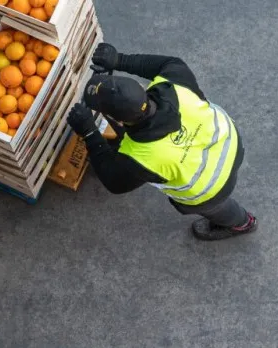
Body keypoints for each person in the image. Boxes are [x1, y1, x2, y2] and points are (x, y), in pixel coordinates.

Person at [65, 44, 256, 241]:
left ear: (121, 121)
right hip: (229, 142)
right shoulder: (174, 84)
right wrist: (119, 60)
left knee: (217, 206)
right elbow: (168, 62)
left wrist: (88, 132)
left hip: (211, 187)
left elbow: (114, 182)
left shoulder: (143, 157)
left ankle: (242, 223)